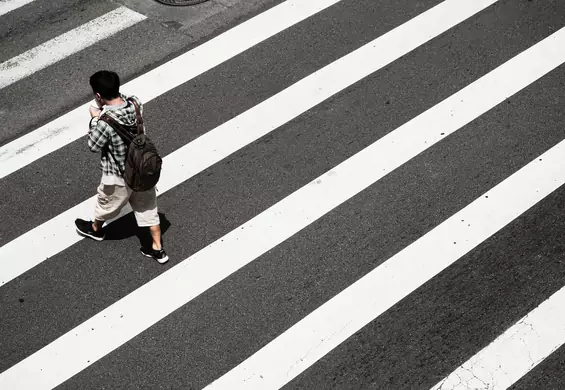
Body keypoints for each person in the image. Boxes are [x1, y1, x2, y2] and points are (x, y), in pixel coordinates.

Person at [75, 70, 169, 264]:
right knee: (149, 209)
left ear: (98, 96)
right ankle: (158, 249)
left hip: (118, 175)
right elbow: (124, 100)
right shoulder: (135, 103)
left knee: (107, 204)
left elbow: (93, 145)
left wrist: (94, 118)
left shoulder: (104, 122)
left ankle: (95, 229)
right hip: (142, 170)